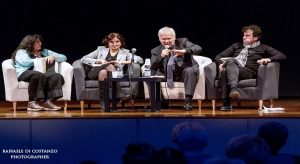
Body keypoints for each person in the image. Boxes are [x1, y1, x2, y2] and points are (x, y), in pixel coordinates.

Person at [215, 25, 286, 110]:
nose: (244, 37)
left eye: (247, 36)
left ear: (255, 37)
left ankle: (227, 101)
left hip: (249, 72)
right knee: (225, 69)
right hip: (233, 70)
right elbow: (218, 56)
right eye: (244, 35)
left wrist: (268, 59)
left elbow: (281, 55)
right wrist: (220, 63)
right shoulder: (236, 46)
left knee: (230, 62)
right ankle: (232, 92)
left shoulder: (263, 48)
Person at [150, 26, 202, 111]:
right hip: (167, 74)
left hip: (183, 73)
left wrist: (184, 51)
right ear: (159, 39)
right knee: (151, 75)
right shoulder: (156, 50)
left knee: (189, 70)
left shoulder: (183, 42)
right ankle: (161, 102)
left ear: (174, 37)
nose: (166, 41)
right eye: (163, 39)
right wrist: (161, 56)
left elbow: (198, 48)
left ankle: (188, 101)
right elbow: (153, 67)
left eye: (169, 38)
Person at [11, 34, 67, 111]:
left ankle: (47, 101)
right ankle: (32, 103)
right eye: (37, 42)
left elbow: (64, 57)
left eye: (40, 42)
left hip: (42, 74)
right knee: (37, 75)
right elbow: (25, 62)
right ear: (30, 43)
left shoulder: (45, 51)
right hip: (25, 73)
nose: (40, 43)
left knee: (57, 76)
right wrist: (41, 59)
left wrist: (54, 57)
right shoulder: (22, 52)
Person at [81, 32, 133, 110]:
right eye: (111, 42)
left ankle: (103, 102)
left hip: (105, 75)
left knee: (103, 72)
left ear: (121, 43)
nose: (114, 44)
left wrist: (120, 62)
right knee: (109, 65)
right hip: (94, 73)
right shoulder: (100, 50)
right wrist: (99, 61)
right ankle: (119, 93)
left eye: (117, 41)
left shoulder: (125, 52)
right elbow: (84, 58)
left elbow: (138, 59)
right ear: (107, 43)